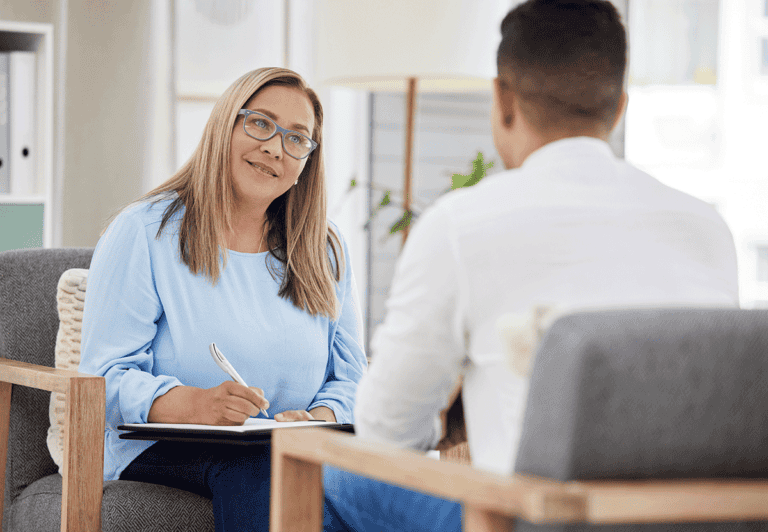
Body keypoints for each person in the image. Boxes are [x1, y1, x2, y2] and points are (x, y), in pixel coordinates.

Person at [322, 1, 739, 531]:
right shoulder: (708, 228)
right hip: (694, 521)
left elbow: (386, 433)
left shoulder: (460, 225)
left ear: (501, 100)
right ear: (618, 109)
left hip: (535, 521)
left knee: (336, 476)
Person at [79, 67, 367, 532]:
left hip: (288, 445)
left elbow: (353, 379)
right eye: (260, 123)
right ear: (224, 127)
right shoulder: (144, 231)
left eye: (297, 139)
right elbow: (102, 379)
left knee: (383, 484)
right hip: (158, 449)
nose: (275, 147)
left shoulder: (323, 251)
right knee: (266, 473)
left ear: (306, 163)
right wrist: (193, 404)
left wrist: (317, 416)